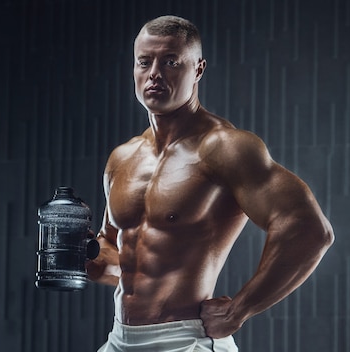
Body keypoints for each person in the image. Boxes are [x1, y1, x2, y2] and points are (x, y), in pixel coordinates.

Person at [85, 15, 334, 352]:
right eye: (144, 62)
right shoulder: (122, 158)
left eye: (171, 61)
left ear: (198, 70)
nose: (154, 73)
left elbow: (308, 229)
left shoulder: (225, 148)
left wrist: (240, 308)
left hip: (187, 341)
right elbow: (117, 256)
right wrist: (89, 256)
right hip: (120, 340)